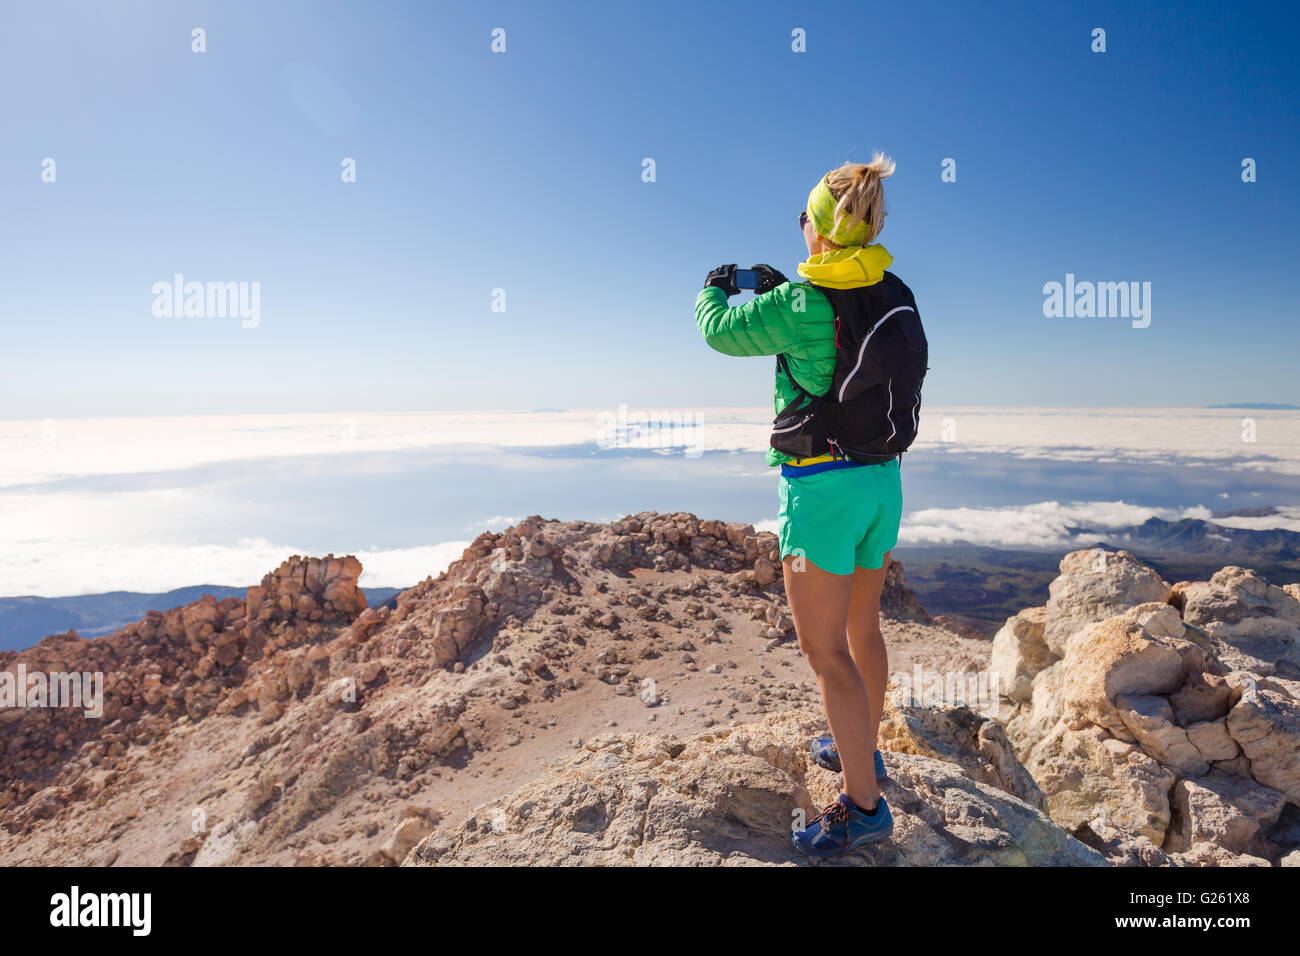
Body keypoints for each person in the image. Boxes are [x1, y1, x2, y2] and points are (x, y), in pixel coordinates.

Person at [694, 155, 913, 856]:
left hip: (822, 491)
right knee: (863, 631)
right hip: (883, 483)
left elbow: (719, 332)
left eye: (802, 221)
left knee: (824, 652)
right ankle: (864, 752)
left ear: (818, 229)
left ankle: (863, 806)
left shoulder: (797, 305)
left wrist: (713, 288)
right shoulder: (892, 288)